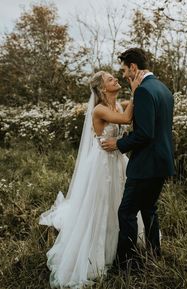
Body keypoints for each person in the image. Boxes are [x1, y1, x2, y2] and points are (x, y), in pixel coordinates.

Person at [39, 70, 143, 288]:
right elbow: (125, 119)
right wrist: (136, 92)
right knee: (102, 205)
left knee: (122, 204)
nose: (115, 79)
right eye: (110, 79)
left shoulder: (118, 104)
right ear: (102, 88)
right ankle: (98, 252)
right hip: (102, 163)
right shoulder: (100, 109)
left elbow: (127, 116)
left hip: (118, 160)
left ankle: (123, 246)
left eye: (115, 77)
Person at [101, 48, 175, 268]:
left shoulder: (143, 91)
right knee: (149, 208)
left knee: (126, 212)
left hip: (146, 164)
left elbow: (145, 133)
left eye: (124, 70)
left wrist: (119, 144)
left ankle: (128, 263)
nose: (123, 75)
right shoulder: (163, 88)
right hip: (162, 162)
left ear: (133, 67)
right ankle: (153, 254)